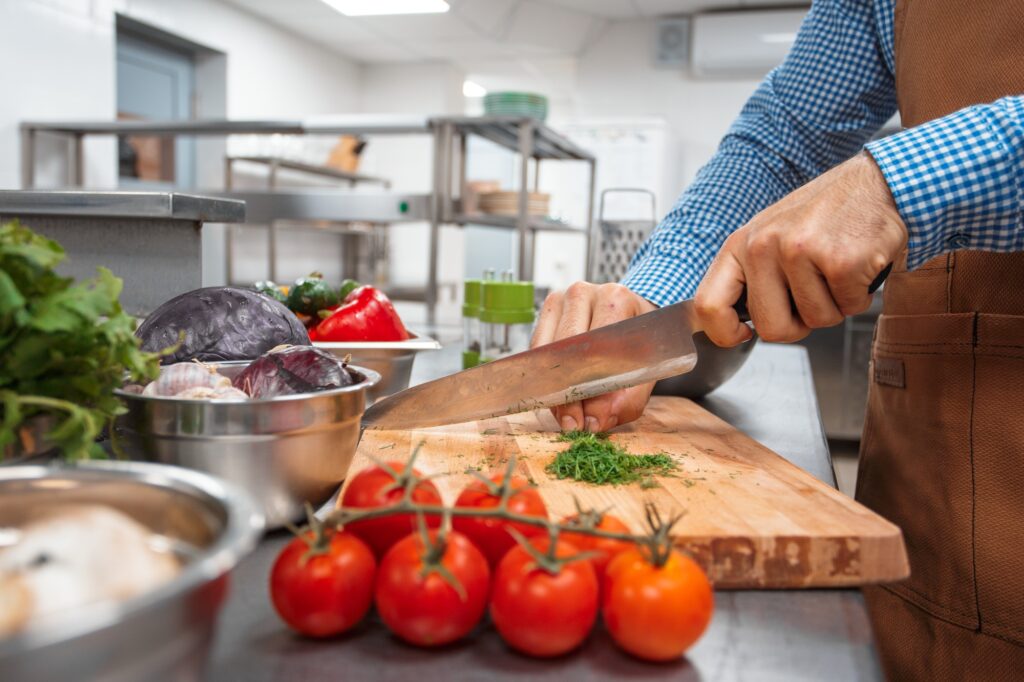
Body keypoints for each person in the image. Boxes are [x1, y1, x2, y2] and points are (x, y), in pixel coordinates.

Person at [532, 1, 1024, 679]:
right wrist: (649, 307)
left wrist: (905, 179)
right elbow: (785, 138)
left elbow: (879, 175)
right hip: (928, 474)